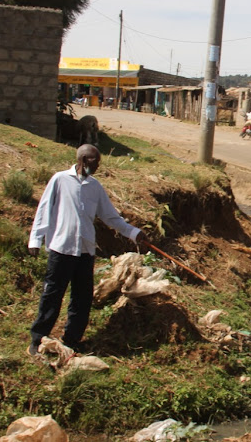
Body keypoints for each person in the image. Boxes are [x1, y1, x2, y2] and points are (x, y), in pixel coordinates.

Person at [27, 144, 148, 355]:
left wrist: (133, 232)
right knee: (52, 295)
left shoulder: (95, 187)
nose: (99, 165)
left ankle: (72, 340)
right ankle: (37, 340)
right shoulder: (60, 180)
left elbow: (110, 216)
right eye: (96, 161)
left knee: (81, 299)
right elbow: (44, 209)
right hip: (61, 249)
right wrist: (35, 240)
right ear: (84, 160)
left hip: (85, 251)